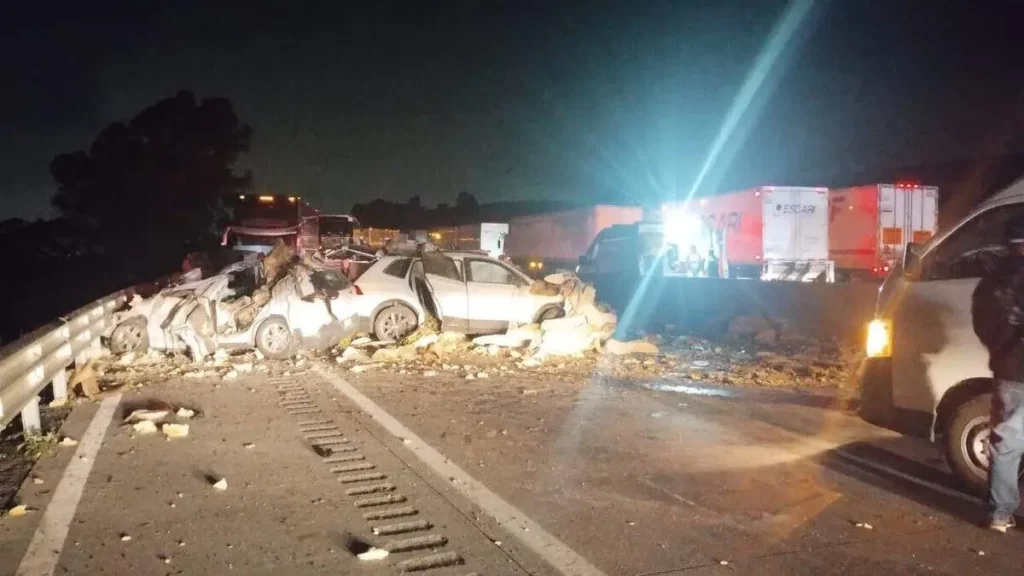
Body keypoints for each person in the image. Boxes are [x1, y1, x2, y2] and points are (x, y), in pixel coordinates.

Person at [971, 221, 1024, 533]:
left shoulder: (991, 283)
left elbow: (982, 325)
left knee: (1006, 446)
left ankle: (1000, 515)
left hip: (1010, 371)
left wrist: (1002, 349)